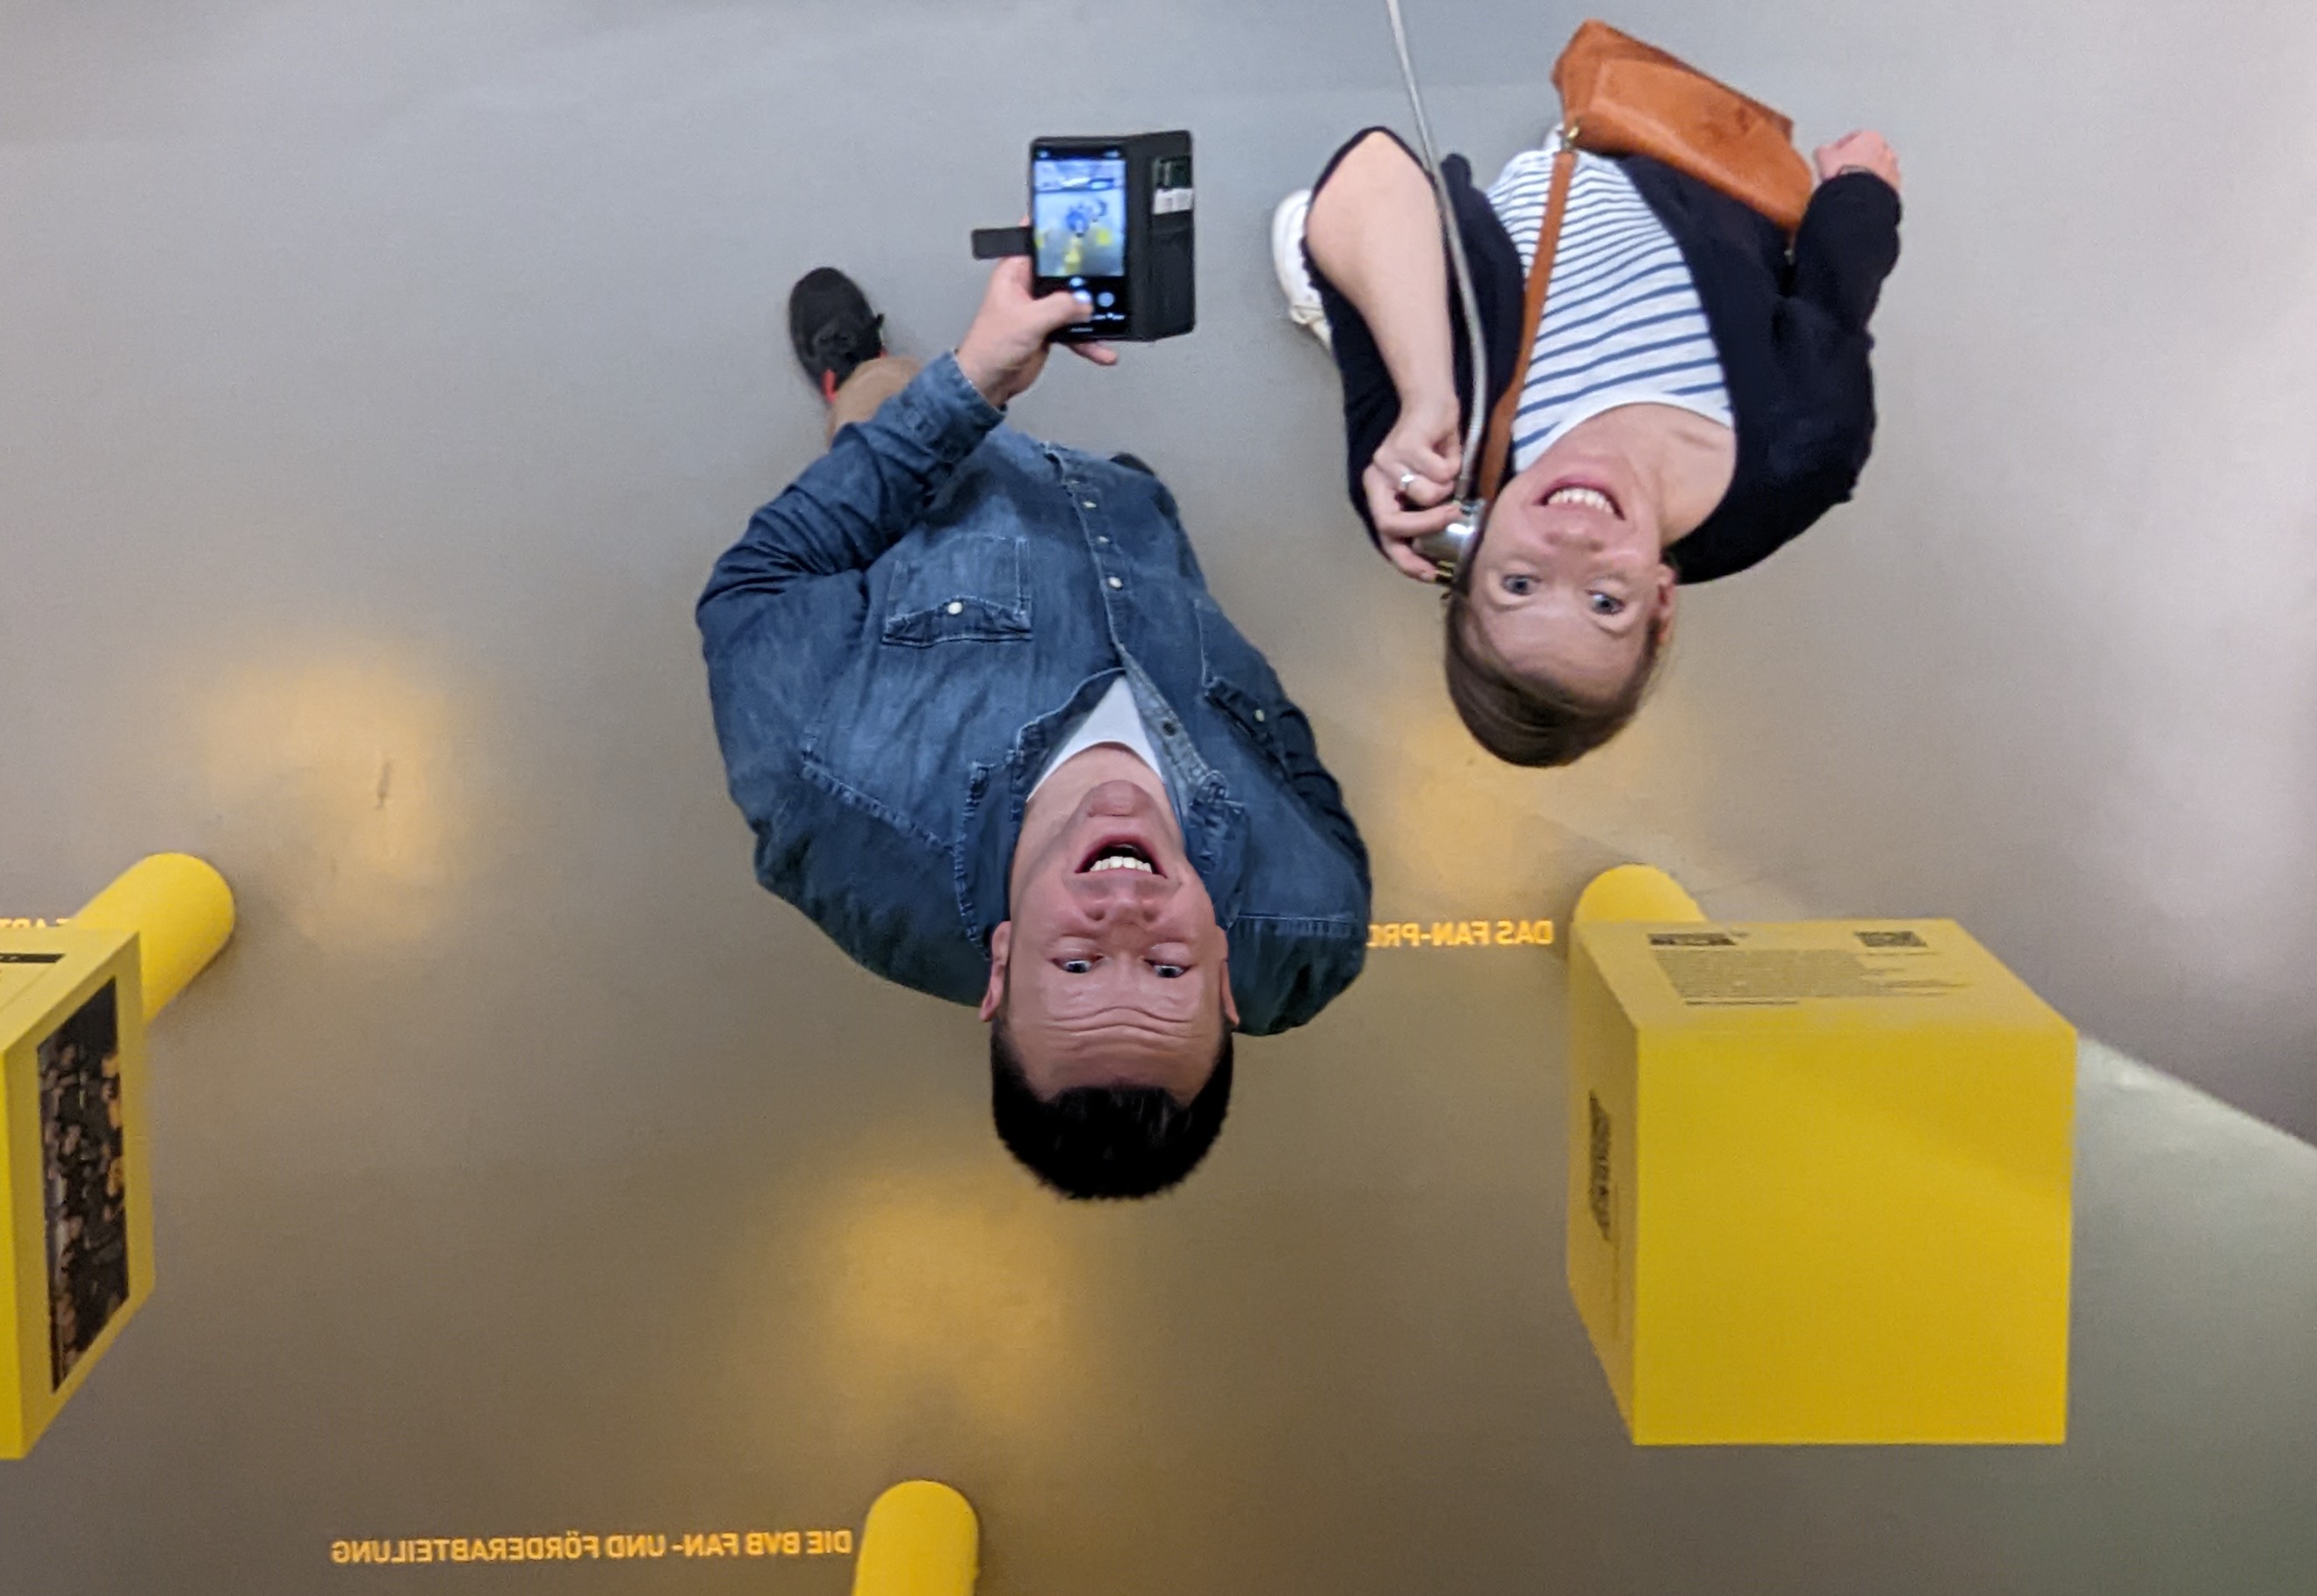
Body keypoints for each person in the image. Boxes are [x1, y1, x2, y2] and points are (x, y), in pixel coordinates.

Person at [699, 259, 1371, 1195]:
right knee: (1131, 491)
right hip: (1136, 530)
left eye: (1080, 961)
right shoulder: (1315, 922)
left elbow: (767, 578)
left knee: (882, 403)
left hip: (948, 500)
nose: (1126, 911)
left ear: (1001, 968)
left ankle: (857, 368)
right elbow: (1292, 762)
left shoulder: (825, 789)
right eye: (1168, 969)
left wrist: (969, 385)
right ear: (1227, 982)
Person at [1273, 111, 1902, 765]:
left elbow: (1371, 168)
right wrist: (1861, 191)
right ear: (1660, 597)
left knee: (1346, 255)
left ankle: (1355, 305)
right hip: (1661, 185)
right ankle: (1577, 170)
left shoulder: (1435, 479)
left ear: (1467, 556)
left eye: (1519, 584)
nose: (1575, 539)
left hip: (1506, 229)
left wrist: (1425, 391)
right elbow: (1832, 304)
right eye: (1605, 601)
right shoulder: (1802, 454)